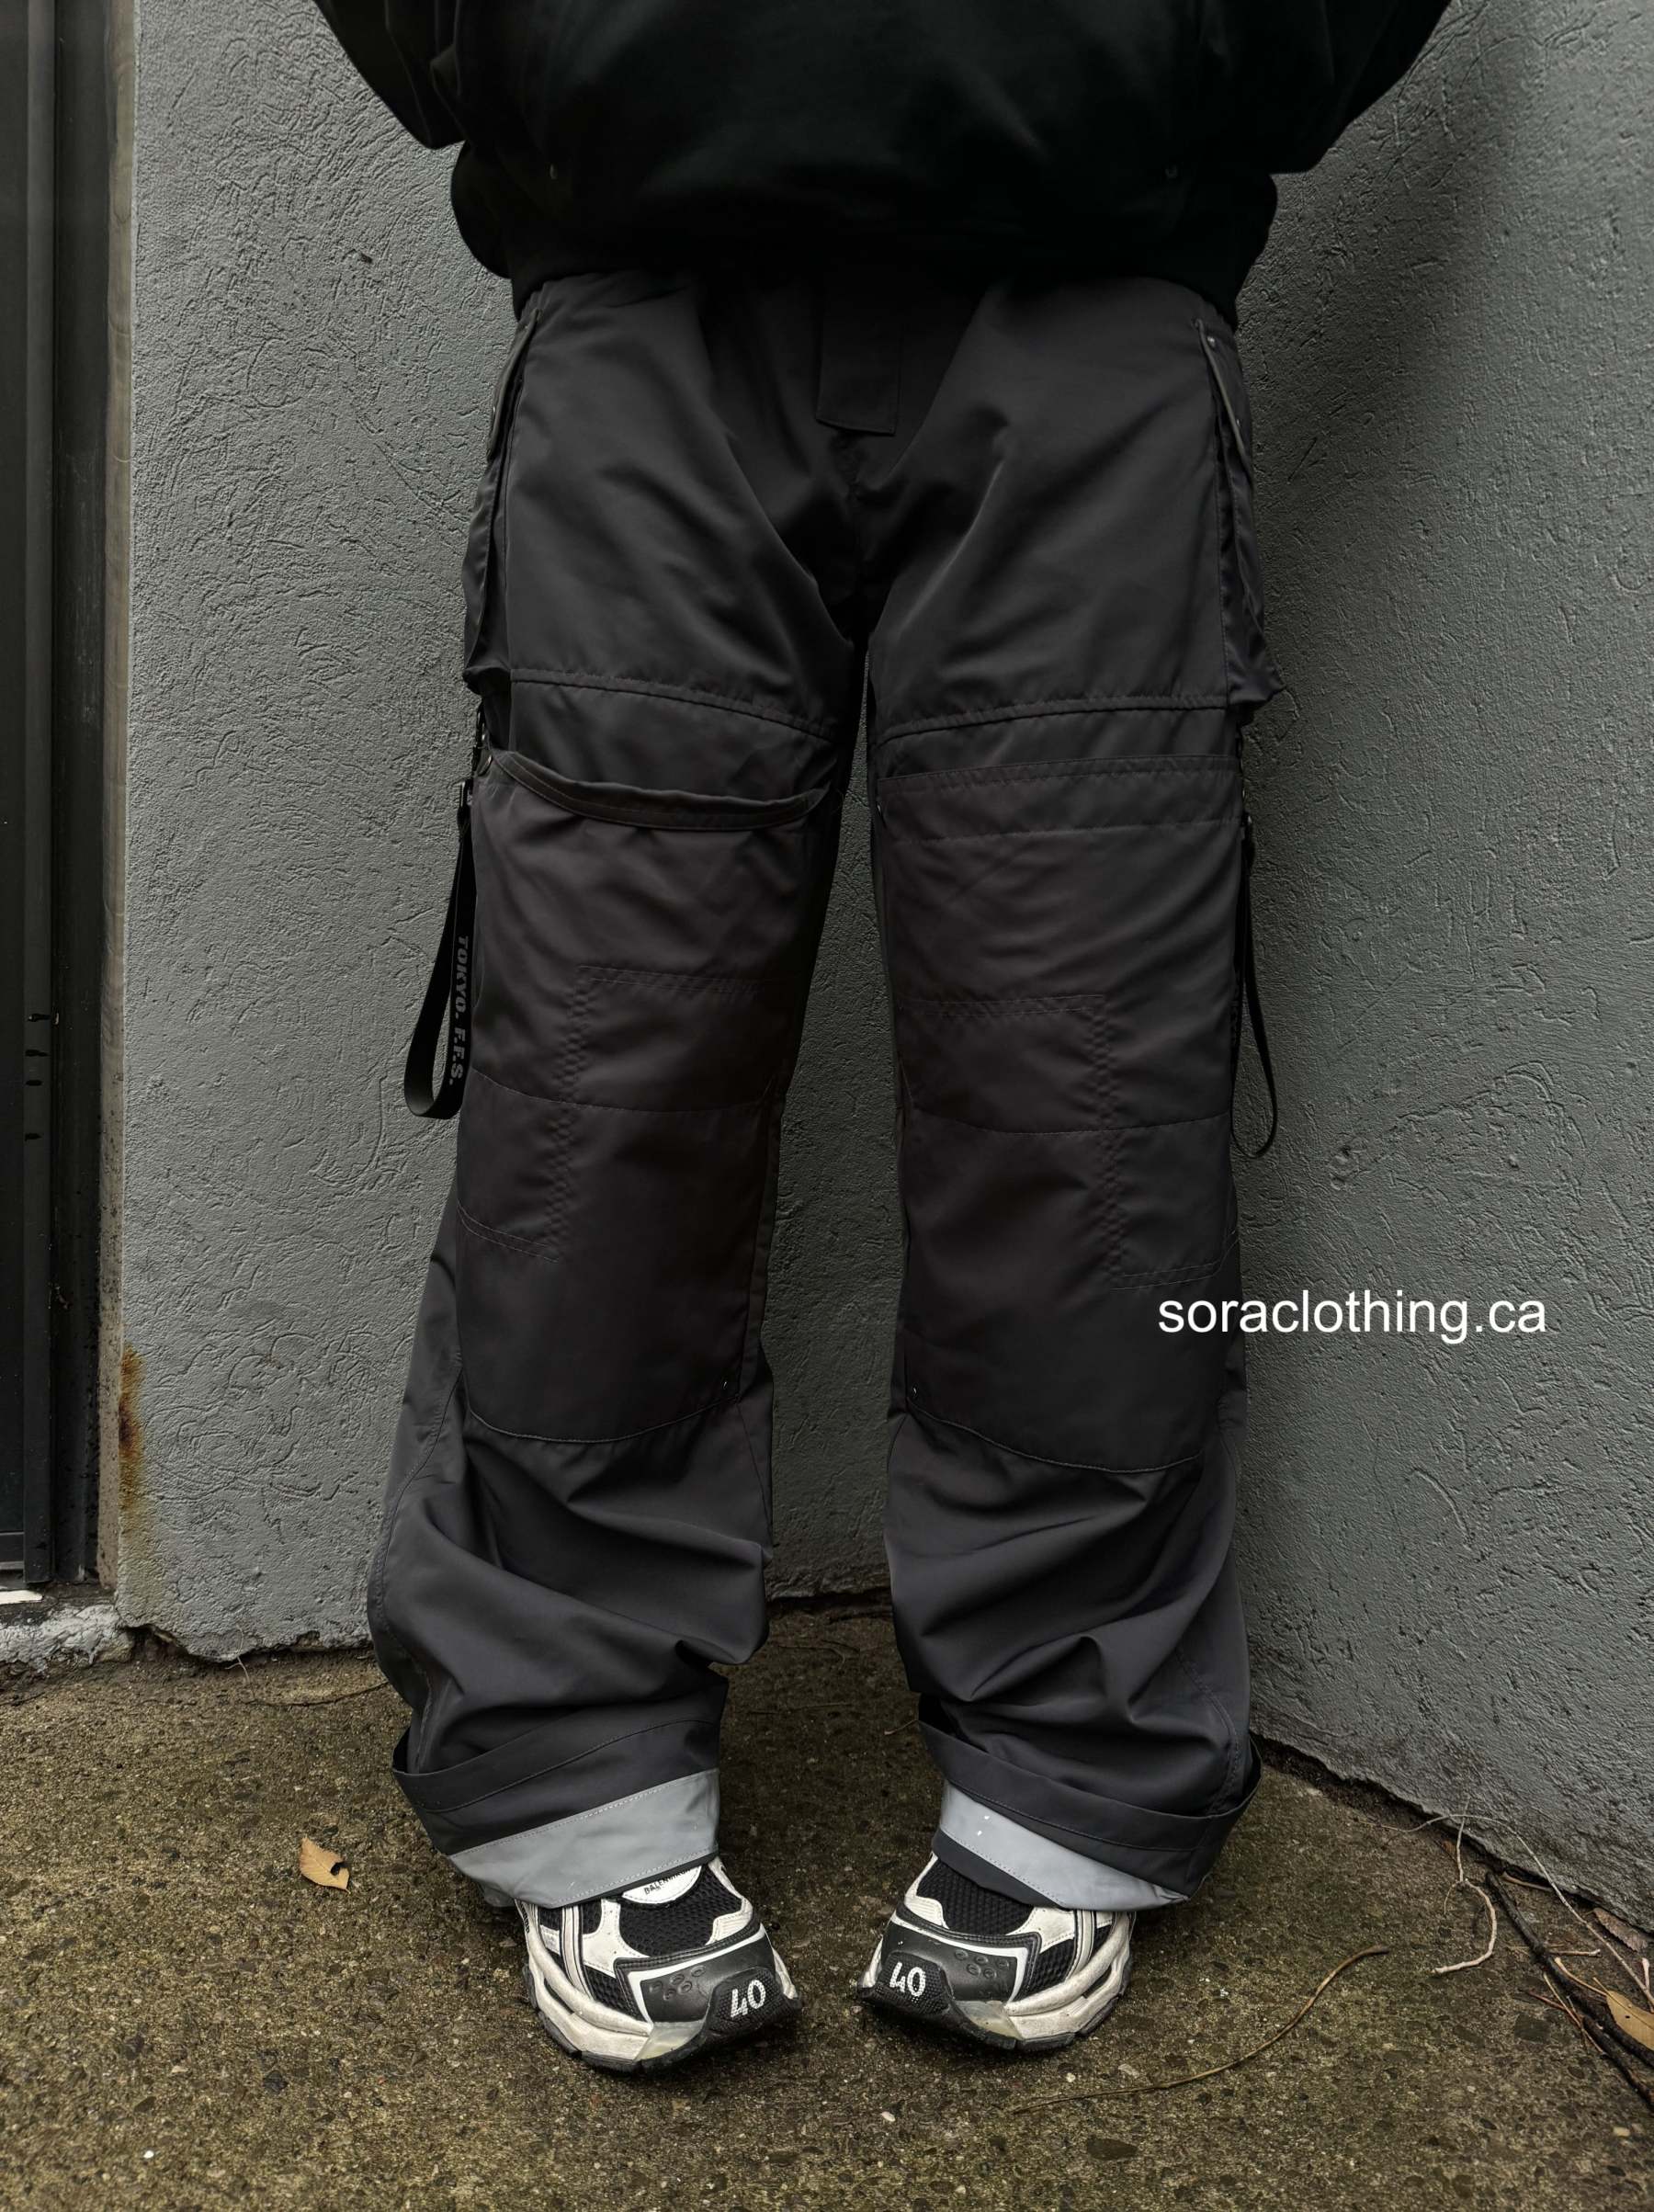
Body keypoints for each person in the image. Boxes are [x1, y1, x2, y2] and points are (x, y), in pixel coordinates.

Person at [315, 0, 1448, 2073]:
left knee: (1083, 1086)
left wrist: (1208, 47)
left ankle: (1074, 1757)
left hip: (1090, 297)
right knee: (603, 1085)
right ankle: (573, 1744)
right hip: (648, 292)